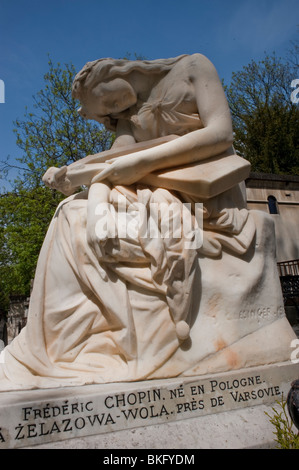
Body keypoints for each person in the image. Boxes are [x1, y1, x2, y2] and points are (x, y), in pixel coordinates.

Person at [0, 54, 255, 390]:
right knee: (69, 213)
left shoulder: (194, 68)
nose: (112, 108)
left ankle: (133, 336)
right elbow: (115, 161)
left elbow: (222, 133)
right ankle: (66, 345)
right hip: (154, 188)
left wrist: (142, 162)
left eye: (106, 97)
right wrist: (77, 178)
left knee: (152, 221)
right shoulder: (126, 118)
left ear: (111, 71)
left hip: (205, 191)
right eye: (105, 110)